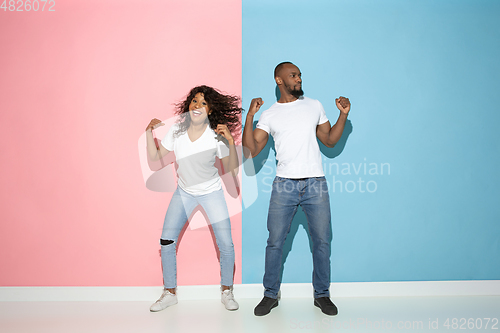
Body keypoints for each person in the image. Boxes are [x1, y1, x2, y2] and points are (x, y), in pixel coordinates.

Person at [242, 62, 351, 316]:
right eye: (293, 76)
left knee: (322, 242)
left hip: (315, 183)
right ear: (279, 81)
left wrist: (343, 115)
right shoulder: (269, 114)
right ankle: (270, 295)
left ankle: (322, 295)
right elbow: (251, 150)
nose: (298, 79)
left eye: (300, 75)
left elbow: (330, 141)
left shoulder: (314, 105)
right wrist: (250, 116)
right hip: (284, 185)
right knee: (275, 242)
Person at [145, 85, 242, 312]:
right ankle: (170, 293)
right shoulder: (177, 131)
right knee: (166, 241)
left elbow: (233, 172)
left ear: (210, 110)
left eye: (204, 103)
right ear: (189, 105)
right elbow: (155, 156)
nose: (197, 106)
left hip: (211, 193)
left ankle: (227, 292)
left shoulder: (215, 135)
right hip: (184, 192)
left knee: (226, 244)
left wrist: (229, 141)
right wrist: (149, 133)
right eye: (195, 101)